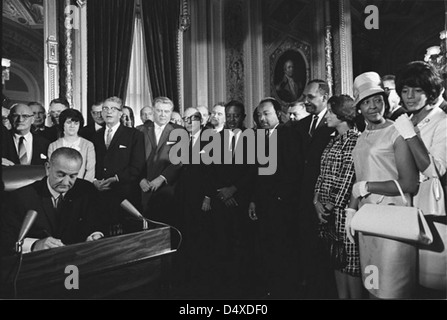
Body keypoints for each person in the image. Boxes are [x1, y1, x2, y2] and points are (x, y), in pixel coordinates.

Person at [346, 71, 418, 299]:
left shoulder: (396, 132)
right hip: (368, 223)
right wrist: (351, 209)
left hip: (393, 223)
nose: (374, 106)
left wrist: (367, 187)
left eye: (378, 100)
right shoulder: (360, 138)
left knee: (392, 290)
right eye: (366, 102)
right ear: (358, 108)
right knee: (372, 284)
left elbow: (409, 183)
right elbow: (359, 179)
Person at [394, 61, 447, 298]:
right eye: (405, 90)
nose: (410, 96)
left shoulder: (442, 121)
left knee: (430, 282)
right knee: (403, 280)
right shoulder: (407, 118)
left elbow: (435, 170)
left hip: (429, 211)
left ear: (431, 92)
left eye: (417, 90)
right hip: (402, 208)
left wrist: (409, 134)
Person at [0, 147, 104, 256]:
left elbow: (97, 223)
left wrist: (95, 235)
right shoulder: (21, 197)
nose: (65, 182)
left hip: (77, 259)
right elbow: (6, 238)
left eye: (73, 176)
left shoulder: (87, 190)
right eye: (60, 175)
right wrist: (34, 245)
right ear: (48, 168)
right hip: (39, 262)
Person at [249, 97, 304, 298]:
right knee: (266, 249)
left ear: (278, 114)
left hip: (282, 205)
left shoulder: (289, 134)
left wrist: (281, 198)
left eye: (267, 113)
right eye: (259, 115)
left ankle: (286, 290)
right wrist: (254, 200)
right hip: (263, 204)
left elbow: (293, 171)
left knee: (284, 250)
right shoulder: (259, 137)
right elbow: (257, 174)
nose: (262, 118)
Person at [313, 95, 362, 299]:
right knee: (336, 259)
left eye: (331, 112)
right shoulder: (333, 139)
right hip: (326, 211)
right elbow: (322, 173)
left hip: (344, 213)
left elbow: (348, 177)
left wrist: (331, 205)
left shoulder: (354, 139)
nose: (328, 115)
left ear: (343, 115)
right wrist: (316, 201)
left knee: (351, 265)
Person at [296, 79, 337, 298]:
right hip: (304, 199)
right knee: (307, 249)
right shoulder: (301, 125)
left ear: (324, 97)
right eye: (304, 96)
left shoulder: (335, 125)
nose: (305, 101)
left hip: (325, 199)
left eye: (310, 97)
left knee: (326, 256)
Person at [92, 96, 145, 225]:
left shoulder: (134, 135)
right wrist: (94, 182)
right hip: (100, 194)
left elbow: (137, 166)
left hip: (126, 194)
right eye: (105, 108)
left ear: (120, 113)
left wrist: (116, 178)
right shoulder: (95, 136)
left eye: (113, 109)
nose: (108, 112)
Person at [139, 97, 183, 226]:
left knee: (166, 229)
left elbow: (179, 161)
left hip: (167, 189)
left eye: (166, 111)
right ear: (153, 111)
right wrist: (140, 179)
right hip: (143, 188)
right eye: (159, 111)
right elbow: (135, 159)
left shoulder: (180, 132)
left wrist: (162, 178)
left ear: (171, 112)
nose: (163, 114)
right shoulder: (139, 130)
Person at [48, 109, 96, 182]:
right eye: (69, 122)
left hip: (82, 186)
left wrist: (84, 186)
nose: (72, 126)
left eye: (76, 123)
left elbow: (90, 170)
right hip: (59, 185)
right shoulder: (53, 146)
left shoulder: (88, 145)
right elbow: (52, 170)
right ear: (62, 124)